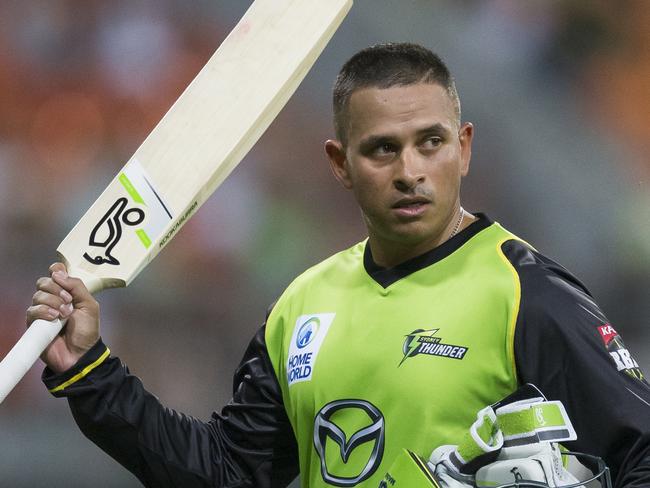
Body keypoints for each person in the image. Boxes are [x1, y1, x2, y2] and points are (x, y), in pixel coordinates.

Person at [27, 43, 650, 488]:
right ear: (339, 162)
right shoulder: (301, 306)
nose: (410, 172)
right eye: (382, 149)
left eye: (429, 143)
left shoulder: (530, 295)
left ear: (462, 148)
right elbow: (227, 471)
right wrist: (89, 374)